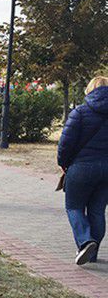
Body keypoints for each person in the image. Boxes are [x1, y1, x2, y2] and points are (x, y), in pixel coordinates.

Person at [58, 75, 108, 265]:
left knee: (74, 207)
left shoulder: (80, 112)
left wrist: (62, 162)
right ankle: (92, 253)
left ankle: (85, 241)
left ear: (90, 89)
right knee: (97, 211)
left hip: (81, 168)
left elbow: (66, 142)